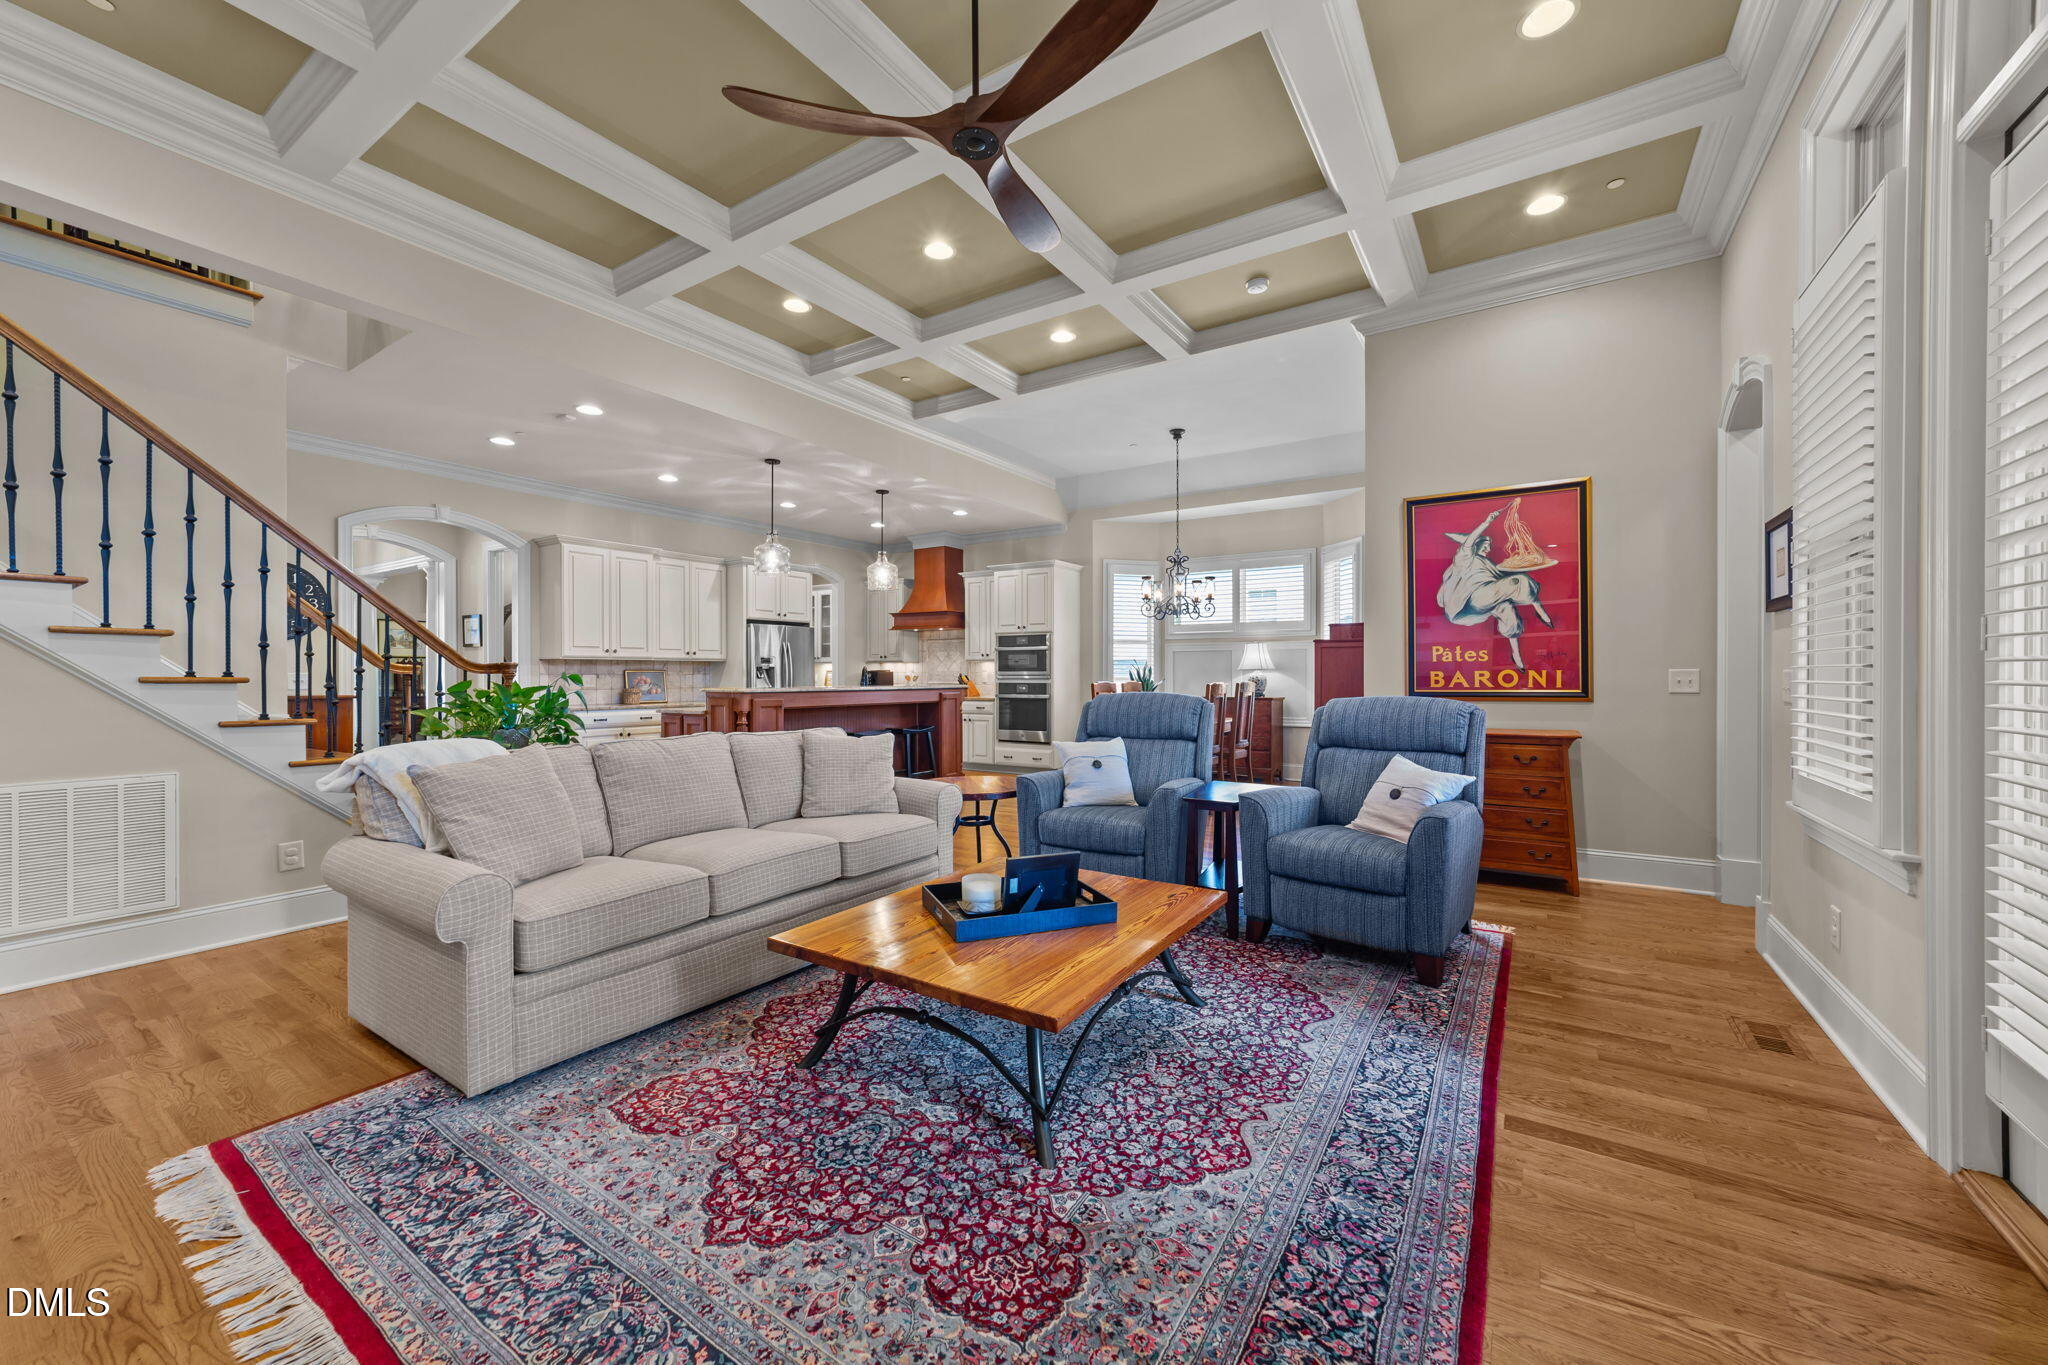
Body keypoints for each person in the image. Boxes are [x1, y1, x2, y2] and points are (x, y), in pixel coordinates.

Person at [1436, 503, 1554, 668]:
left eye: (1489, 545)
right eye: (1485, 545)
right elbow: (1468, 544)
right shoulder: (1465, 559)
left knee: (1507, 607)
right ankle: (1540, 611)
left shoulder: (1489, 565)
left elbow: (1501, 581)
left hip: (1480, 606)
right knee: (1518, 581)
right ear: (1475, 546)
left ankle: (1516, 654)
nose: (1489, 548)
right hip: (1470, 602)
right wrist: (1486, 522)